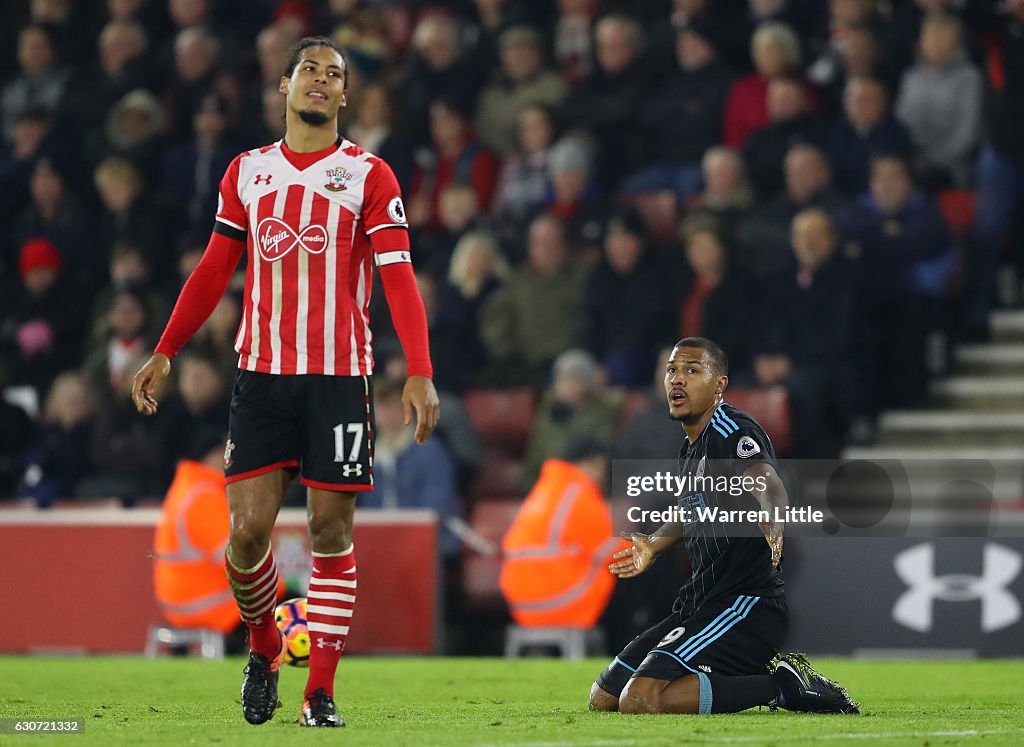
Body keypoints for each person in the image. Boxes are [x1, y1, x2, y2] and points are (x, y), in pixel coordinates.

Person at [130, 37, 440, 728]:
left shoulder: (370, 175)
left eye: (335, 75)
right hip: (262, 376)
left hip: (339, 378)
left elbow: (398, 280)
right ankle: (267, 643)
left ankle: (319, 691)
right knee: (245, 536)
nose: (321, 82)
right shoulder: (247, 171)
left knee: (330, 532)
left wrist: (419, 371)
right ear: (284, 85)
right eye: (310, 70)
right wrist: (166, 347)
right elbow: (215, 268)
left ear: (346, 96)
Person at [589, 337, 859, 715]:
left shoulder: (731, 430)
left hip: (744, 605)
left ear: (719, 386)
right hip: (697, 605)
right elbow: (693, 511)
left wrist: (771, 511)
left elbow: (765, 480)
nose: (677, 380)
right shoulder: (690, 447)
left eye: (691, 370)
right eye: (672, 370)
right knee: (603, 698)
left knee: (640, 699)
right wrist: (654, 544)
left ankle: (781, 687)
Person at [500, 437, 624, 629]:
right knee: (625, 571)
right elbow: (609, 551)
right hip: (562, 599)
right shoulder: (579, 493)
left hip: (522, 604)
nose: (603, 476)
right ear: (593, 462)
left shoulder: (547, 489)